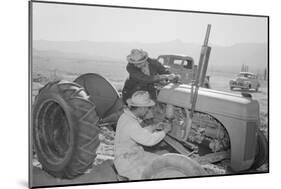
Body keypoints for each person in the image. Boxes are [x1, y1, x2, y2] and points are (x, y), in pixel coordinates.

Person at [114, 91, 171, 180]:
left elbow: (138, 133)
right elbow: (149, 140)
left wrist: (153, 127)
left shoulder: (126, 117)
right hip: (126, 161)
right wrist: (164, 131)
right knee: (156, 174)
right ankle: (125, 176)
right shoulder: (131, 123)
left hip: (131, 154)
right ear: (141, 108)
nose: (147, 111)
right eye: (147, 108)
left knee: (161, 162)